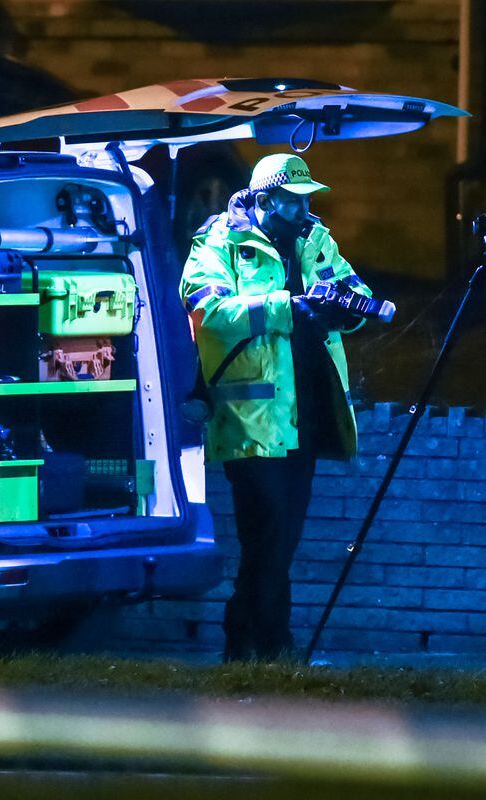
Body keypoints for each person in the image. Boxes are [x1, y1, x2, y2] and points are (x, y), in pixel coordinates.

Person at [179, 152, 373, 662]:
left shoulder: (314, 238)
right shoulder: (221, 242)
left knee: (280, 542)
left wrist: (347, 307)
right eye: (292, 201)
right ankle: (274, 646)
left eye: (308, 200)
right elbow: (209, 311)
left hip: (306, 414)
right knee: (266, 537)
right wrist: (292, 306)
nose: (303, 210)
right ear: (264, 199)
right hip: (252, 421)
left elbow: (354, 290)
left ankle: (243, 644)